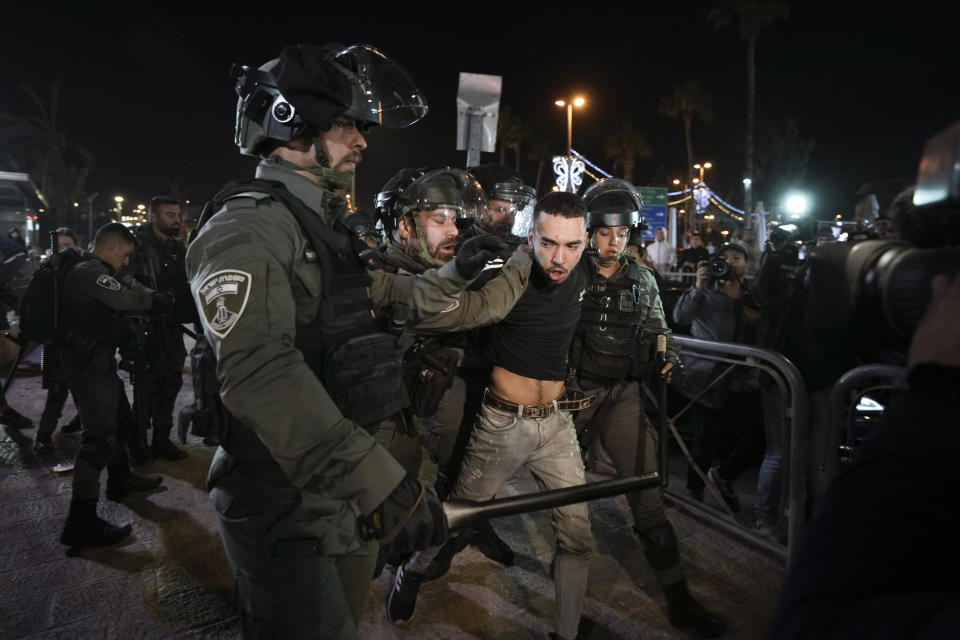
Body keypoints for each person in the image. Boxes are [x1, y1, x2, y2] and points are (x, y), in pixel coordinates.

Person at [185, 43, 506, 638]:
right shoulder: (249, 226)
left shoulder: (324, 228)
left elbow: (391, 296)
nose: (362, 141)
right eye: (346, 124)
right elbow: (260, 376)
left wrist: (458, 273)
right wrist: (378, 482)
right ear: (289, 122)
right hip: (287, 496)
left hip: (345, 488)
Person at [388, 191, 595, 640]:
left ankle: (566, 633)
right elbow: (463, 307)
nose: (559, 257)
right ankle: (411, 574)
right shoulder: (510, 274)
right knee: (456, 516)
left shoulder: (585, 274)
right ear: (530, 236)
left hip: (557, 425)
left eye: (571, 245)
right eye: (548, 243)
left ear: (585, 241)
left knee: (577, 535)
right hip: (502, 424)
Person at [570, 179, 726, 638]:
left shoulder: (640, 278)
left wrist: (668, 359)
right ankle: (567, 609)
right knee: (562, 510)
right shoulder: (566, 272)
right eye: (604, 233)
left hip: (623, 395)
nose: (613, 242)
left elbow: (661, 330)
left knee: (650, 502)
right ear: (590, 231)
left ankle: (679, 600)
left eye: (621, 234)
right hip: (571, 398)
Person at [765, 274, 960, 639]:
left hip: (824, 384)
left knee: (815, 463)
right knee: (783, 457)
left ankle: (793, 523)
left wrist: (935, 388)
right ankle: (771, 520)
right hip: (794, 384)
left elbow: (818, 619)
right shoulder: (784, 289)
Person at [59, 223, 164, 547]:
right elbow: (126, 300)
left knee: (121, 421)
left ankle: (119, 481)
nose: (125, 263)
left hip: (97, 361)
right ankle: (80, 522)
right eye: (125, 256)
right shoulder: (88, 271)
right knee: (99, 438)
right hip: (86, 364)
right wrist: (152, 301)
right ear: (113, 247)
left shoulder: (94, 269)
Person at [672, 244, 765, 511]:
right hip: (708, 378)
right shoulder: (707, 292)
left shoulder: (752, 293)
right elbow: (681, 317)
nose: (729, 262)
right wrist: (698, 286)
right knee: (706, 441)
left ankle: (724, 475)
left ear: (747, 264)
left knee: (756, 438)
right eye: (723, 258)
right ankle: (694, 492)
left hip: (744, 379)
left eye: (736, 257)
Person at [130, 195, 196, 461]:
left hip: (171, 326)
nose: (176, 219)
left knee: (171, 382)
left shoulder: (176, 247)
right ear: (153, 216)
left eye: (177, 214)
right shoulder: (136, 245)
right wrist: (149, 296)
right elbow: (122, 277)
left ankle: (161, 439)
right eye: (169, 214)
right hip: (145, 326)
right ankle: (137, 444)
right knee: (147, 387)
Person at [33, 228, 83, 455]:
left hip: (83, 341)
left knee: (89, 390)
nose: (64, 251)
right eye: (60, 246)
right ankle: (43, 435)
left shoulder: (85, 270)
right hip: (57, 342)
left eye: (68, 246)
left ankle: (80, 420)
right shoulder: (46, 273)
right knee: (56, 391)